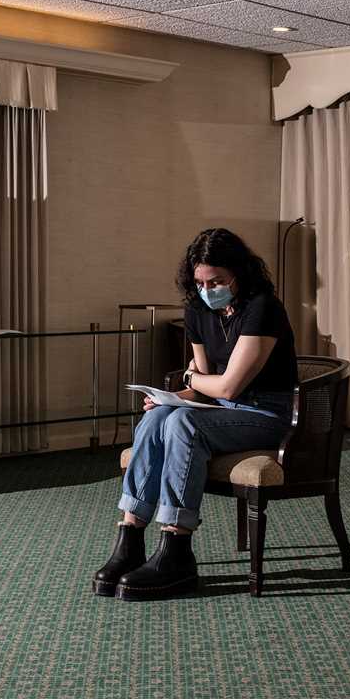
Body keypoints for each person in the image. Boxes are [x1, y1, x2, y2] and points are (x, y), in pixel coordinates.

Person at [95, 228, 298, 601]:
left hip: (265, 414)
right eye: (201, 281)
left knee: (184, 422)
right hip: (221, 413)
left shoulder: (263, 309)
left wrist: (191, 378)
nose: (208, 289)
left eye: (218, 280)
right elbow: (203, 384)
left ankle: (177, 548)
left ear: (240, 273)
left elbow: (228, 387)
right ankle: (131, 536)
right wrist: (172, 396)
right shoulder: (197, 309)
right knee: (159, 417)